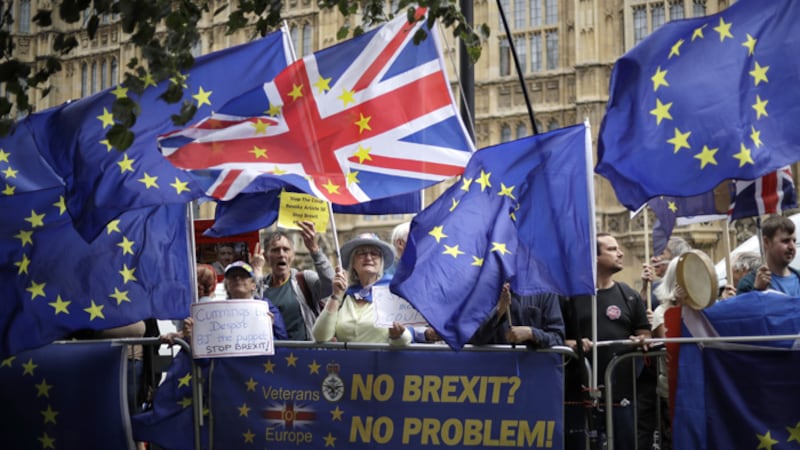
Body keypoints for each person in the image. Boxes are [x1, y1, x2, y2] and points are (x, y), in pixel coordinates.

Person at [561, 232, 651, 450]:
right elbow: (556, 334)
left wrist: (640, 340)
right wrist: (571, 343)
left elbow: (644, 333)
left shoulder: (628, 295)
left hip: (620, 397)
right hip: (579, 394)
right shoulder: (570, 296)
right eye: (612, 249)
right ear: (595, 257)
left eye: (618, 248)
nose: (620, 253)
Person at [312, 233, 412, 346]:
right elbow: (320, 336)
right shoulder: (345, 296)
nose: (368, 257)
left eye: (374, 253)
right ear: (353, 262)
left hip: (380, 362)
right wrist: (336, 296)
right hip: (347, 363)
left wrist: (398, 336)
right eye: (361, 253)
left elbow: (407, 338)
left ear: (381, 262)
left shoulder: (394, 292)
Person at [251, 221, 334, 341]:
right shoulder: (262, 286)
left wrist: (315, 251)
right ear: (266, 256)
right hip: (273, 357)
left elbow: (331, 286)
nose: (281, 254)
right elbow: (252, 308)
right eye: (275, 250)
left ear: (293, 255)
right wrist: (257, 271)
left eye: (286, 249)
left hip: (307, 355)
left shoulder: (304, 280)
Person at [470, 282, 564, 348]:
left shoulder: (545, 291)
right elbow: (473, 339)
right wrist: (499, 312)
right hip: (492, 370)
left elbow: (557, 339)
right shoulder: (484, 289)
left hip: (532, 369)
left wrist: (531, 333)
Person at [737, 215, 800, 296]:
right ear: (766, 242)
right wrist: (757, 290)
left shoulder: (797, 278)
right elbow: (745, 308)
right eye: (785, 241)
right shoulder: (748, 283)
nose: (792, 247)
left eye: (794, 241)